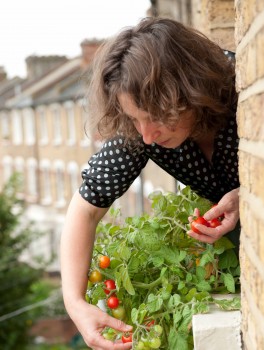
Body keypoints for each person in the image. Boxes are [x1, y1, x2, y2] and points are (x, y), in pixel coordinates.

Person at [60, 17, 240, 350]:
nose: (146, 134)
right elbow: (84, 210)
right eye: (134, 118)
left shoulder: (247, 89)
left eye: (156, 116)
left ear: (190, 89)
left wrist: (248, 195)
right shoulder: (142, 133)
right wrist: (75, 303)